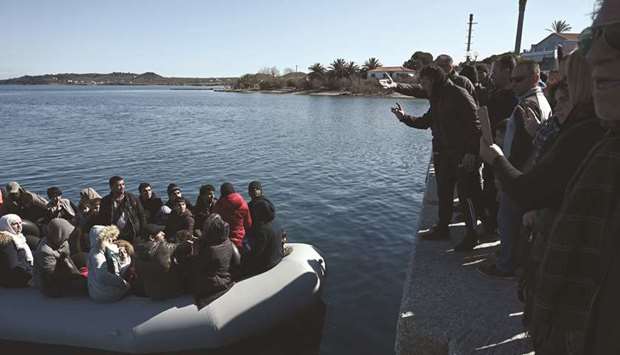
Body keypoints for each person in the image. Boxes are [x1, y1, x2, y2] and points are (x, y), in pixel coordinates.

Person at [529, 3, 620, 353]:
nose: (595, 54)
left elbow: (531, 189)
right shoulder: (607, 154)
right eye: (590, 39)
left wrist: (494, 156)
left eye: (616, 35)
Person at [391, 65, 482, 250]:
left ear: (433, 80)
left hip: (462, 154)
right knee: (444, 193)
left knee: (467, 196)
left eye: (424, 82)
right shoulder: (437, 97)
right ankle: (442, 228)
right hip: (444, 153)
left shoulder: (458, 94)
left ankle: (473, 235)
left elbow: (476, 123)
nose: (422, 86)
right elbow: (426, 122)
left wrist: (471, 153)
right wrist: (404, 118)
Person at [482, 60, 552, 277]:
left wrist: (504, 176)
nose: (513, 84)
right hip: (529, 175)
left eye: (518, 79)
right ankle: (513, 259)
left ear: (534, 77)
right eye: (512, 79)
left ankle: (505, 265)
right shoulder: (542, 100)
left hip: (519, 175)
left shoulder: (527, 105)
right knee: (516, 223)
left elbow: (522, 149)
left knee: (508, 221)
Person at [478, 55, 519, 235]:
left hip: (503, 154)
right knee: (489, 187)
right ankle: (490, 222)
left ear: (507, 71)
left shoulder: (514, 98)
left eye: (495, 71)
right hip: (491, 150)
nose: (492, 75)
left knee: (498, 191)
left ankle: (494, 227)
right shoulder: (496, 93)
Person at [32, 218, 86, 297]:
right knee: (84, 284)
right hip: (50, 285)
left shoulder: (62, 242)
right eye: (67, 233)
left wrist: (76, 273)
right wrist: (74, 276)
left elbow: (68, 258)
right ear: (60, 233)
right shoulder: (45, 250)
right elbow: (51, 276)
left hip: (62, 269)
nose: (68, 236)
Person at [193, 214, 236, 309]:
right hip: (226, 275)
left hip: (217, 282)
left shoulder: (211, 250)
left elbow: (197, 266)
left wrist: (195, 253)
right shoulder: (227, 241)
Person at [87, 225, 131, 302]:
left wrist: (124, 259)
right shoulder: (97, 254)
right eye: (108, 238)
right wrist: (123, 283)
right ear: (100, 239)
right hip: (104, 293)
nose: (111, 240)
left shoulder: (103, 251)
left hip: (102, 291)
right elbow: (102, 276)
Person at [242, 197, 283, 277]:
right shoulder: (275, 222)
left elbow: (256, 252)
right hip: (277, 256)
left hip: (268, 264)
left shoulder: (263, 230)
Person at [98, 176, 146, 243]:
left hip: (133, 233)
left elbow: (141, 215)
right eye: (118, 185)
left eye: (123, 184)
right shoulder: (105, 201)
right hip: (115, 236)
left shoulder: (132, 198)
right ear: (111, 187)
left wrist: (142, 232)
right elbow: (102, 219)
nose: (122, 187)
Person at [213, 183, 252, 249]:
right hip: (240, 239)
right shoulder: (243, 203)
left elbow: (215, 222)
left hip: (225, 240)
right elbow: (248, 224)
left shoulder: (219, 205)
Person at [0, 215, 33, 287]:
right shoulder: (7, 242)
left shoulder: (19, 237)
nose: (19, 226)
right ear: (6, 225)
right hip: (12, 280)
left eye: (20, 223)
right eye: (15, 223)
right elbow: (13, 267)